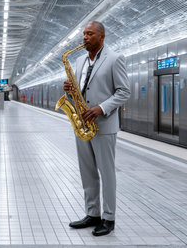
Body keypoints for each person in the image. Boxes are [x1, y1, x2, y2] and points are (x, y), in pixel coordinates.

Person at [63, 21, 130, 236]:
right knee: (88, 172)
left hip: (103, 125)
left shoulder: (115, 59)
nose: (84, 38)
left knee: (107, 173)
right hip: (82, 124)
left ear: (102, 36)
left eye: (89, 34)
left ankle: (108, 218)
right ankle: (92, 214)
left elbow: (123, 92)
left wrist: (100, 108)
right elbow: (79, 91)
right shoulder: (80, 60)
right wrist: (69, 92)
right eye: (83, 34)